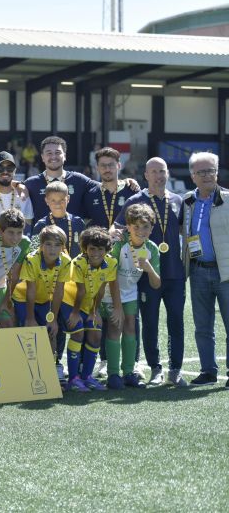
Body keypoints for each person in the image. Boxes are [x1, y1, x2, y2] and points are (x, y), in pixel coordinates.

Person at [113, 157, 187, 387]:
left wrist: (186, 266)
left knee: (176, 321)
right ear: (146, 175)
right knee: (150, 321)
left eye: (162, 171)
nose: (158, 175)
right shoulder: (136, 200)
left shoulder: (177, 200)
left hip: (174, 273)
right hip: (145, 275)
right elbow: (116, 230)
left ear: (167, 173)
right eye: (153, 171)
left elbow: (185, 232)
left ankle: (175, 369)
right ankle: (156, 368)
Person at [181, 152, 229, 387]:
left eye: (211, 170)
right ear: (192, 176)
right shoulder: (187, 201)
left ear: (217, 173)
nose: (207, 175)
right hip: (198, 271)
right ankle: (208, 371)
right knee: (202, 326)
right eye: (201, 172)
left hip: (226, 273)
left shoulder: (228, 199)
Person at [105, 204, 160, 389]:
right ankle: (113, 374)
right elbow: (110, 277)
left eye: (145, 227)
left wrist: (149, 269)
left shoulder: (151, 248)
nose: (141, 231)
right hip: (109, 292)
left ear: (152, 229)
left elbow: (156, 283)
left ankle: (128, 373)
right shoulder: (119, 244)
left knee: (130, 328)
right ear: (127, 226)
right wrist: (117, 306)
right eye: (136, 226)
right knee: (115, 326)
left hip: (129, 293)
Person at [23, 136, 137, 224]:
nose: (53, 157)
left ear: (65, 156)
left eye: (58, 152)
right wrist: (16, 184)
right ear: (42, 157)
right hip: (43, 245)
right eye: (49, 153)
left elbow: (105, 185)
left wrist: (126, 181)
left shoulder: (79, 180)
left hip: (74, 244)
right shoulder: (31, 184)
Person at [61, 226, 118, 392]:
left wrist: (94, 312)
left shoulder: (111, 263)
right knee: (78, 333)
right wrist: (75, 313)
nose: (96, 253)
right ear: (85, 248)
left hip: (88, 305)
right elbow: (81, 291)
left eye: (100, 249)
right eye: (92, 249)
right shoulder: (78, 262)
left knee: (96, 334)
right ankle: (73, 378)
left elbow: (101, 289)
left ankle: (87, 377)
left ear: (107, 250)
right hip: (70, 303)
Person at [11, 226, 70, 370]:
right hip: (24, 299)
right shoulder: (32, 260)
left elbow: (59, 291)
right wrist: (30, 318)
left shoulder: (66, 261)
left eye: (57, 245)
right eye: (48, 244)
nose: (52, 249)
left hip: (45, 300)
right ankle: (22, 368)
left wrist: (54, 318)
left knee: (51, 331)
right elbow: (30, 291)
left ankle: (52, 368)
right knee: (27, 330)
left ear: (63, 247)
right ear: (41, 245)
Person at [0, 208, 31, 329]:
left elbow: (15, 275)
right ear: (0, 232)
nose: (15, 238)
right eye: (11, 232)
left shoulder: (25, 243)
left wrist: (5, 300)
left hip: (1, 289)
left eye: (19, 232)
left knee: (9, 326)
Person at [83, 147, 134, 230]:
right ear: (97, 168)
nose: (107, 169)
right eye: (103, 165)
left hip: (126, 242)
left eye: (111, 165)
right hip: (99, 242)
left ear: (119, 166)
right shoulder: (90, 194)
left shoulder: (132, 191)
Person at [32, 182, 87, 259]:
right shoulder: (40, 225)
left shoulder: (78, 222)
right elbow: (33, 251)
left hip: (75, 269)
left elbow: (85, 249)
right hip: (50, 270)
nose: (57, 204)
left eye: (62, 200)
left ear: (68, 199)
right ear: (46, 201)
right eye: (53, 200)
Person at [0, 152, 33, 229]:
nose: (5, 172)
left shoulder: (23, 193)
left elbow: (28, 223)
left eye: (10, 168)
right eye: (0, 168)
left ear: (15, 171)